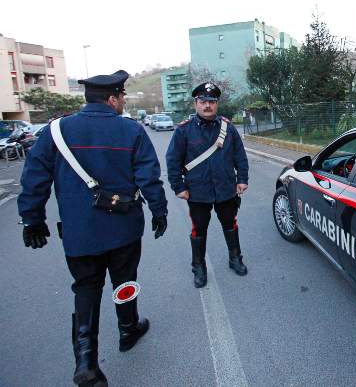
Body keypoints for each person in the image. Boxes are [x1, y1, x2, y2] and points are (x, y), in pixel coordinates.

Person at [17, 70, 168, 387]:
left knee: (85, 288)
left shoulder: (55, 131)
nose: (124, 102)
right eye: (122, 97)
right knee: (124, 279)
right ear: (112, 99)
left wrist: (32, 218)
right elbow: (148, 178)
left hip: (79, 233)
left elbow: (34, 178)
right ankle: (128, 330)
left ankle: (86, 364)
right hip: (124, 228)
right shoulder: (130, 131)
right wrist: (159, 210)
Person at [166, 82, 249, 288]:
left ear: (217, 104)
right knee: (198, 231)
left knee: (230, 225)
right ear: (196, 103)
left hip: (226, 189)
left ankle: (235, 259)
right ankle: (199, 267)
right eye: (203, 101)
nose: (207, 106)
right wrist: (178, 187)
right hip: (197, 192)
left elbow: (240, 156)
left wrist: (242, 179)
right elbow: (173, 160)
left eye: (211, 101)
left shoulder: (228, 129)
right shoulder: (184, 131)